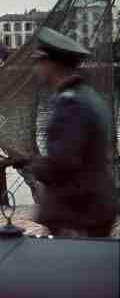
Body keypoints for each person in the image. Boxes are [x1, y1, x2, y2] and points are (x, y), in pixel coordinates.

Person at [21, 26, 116, 237]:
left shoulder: (70, 104)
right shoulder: (89, 96)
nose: (37, 69)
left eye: (40, 62)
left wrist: (34, 164)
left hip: (78, 216)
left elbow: (63, 163)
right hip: (93, 209)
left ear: (51, 64)